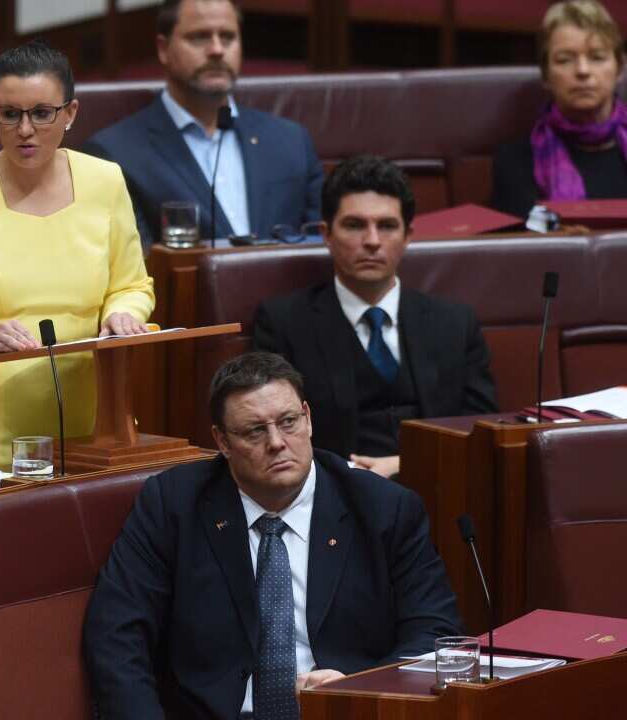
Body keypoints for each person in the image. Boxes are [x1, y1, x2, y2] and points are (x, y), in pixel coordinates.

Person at [83, 352, 460, 719]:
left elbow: (433, 631)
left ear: (308, 418)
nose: (277, 442)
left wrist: (361, 691)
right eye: (254, 431)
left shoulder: (383, 508)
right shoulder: (173, 505)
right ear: (222, 442)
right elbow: (117, 633)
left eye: (288, 422)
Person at [0, 41, 156, 469]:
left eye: (41, 113)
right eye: (10, 114)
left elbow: (131, 284)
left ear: (70, 113)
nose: (25, 129)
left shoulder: (105, 180)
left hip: (93, 422)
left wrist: (124, 313)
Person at [252, 155, 498, 478]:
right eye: (354, 225)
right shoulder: (284, 323)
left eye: (387, 226)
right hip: (332, 497)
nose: (371, 241)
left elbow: (482, 432)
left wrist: (405, 464)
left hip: (442, 487)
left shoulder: (454, 322)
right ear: (327, 234)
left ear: (408, 235)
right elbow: (272, 434)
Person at [84, 0, 322, 246]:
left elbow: (322, 247)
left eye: (228, 37)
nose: (217, 50)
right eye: (200, 37)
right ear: (163, 49)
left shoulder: (291, 141)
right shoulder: (115, 156)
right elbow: (134, 270)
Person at [491, 0, 627, 218]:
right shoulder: (516, 162)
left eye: (597, 57)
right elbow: (522, 231)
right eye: (565, 60)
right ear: (545, 75)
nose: (583, 71)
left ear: (619, 68)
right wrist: (568, 233)